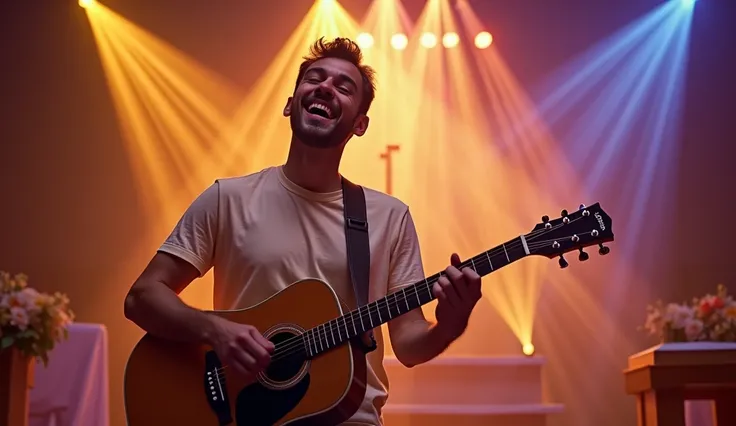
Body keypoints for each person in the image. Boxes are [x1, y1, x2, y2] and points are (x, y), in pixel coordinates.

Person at [123, 36, 482, 425]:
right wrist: (215, 330)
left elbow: (410, 345)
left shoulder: (389, 217)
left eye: (344, 87)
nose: (326, 87)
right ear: (290, 103)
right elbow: (142, 297)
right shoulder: (227, 198)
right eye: (314, 78)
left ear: (360, 125)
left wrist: (450, 324)